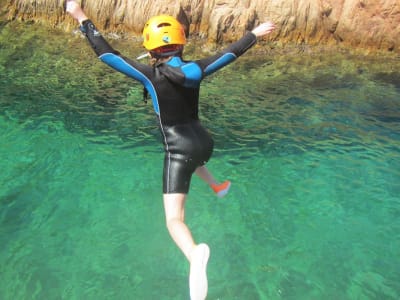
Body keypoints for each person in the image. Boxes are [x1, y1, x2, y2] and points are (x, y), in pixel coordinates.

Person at [65, 1, 275, 299]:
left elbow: (107, 53)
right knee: (195, 159)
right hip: (205, 143)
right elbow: (230, 53)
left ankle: (195, 255)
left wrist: (80, 16)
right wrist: (254, 33)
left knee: (174, 219)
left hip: (179, 150)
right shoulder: (197, 68)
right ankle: (218, 186)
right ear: (181, 42)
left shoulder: (150, 75)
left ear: (150, 49)